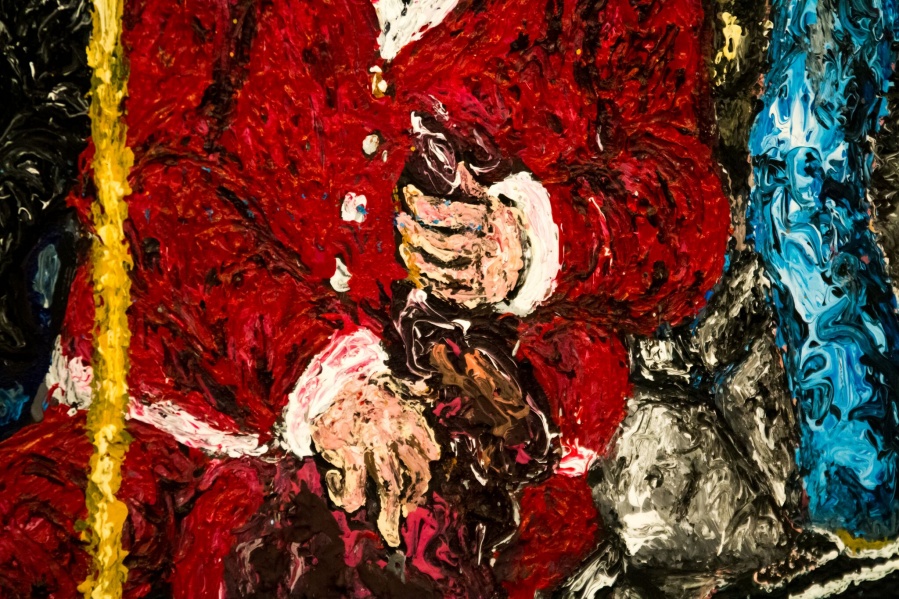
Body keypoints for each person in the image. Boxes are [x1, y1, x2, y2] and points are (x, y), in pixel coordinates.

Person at [0, 0, 730, 596]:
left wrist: (536, 237)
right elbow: (142, 172)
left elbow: (685, 204)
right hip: (167, 406)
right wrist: (322, 366)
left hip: (442, 470)